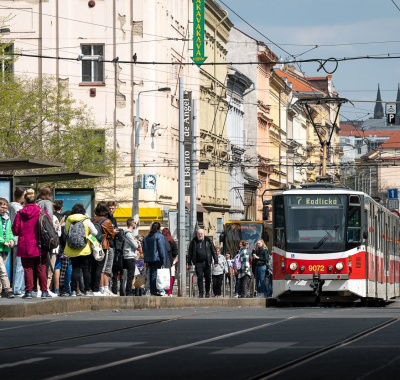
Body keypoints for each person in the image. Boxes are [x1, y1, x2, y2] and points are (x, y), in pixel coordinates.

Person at [12, 189, 51, 299]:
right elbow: (49, 224)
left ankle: (28, 291)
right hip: (40, 245)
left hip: (25, 246)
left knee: (28, 269)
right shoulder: (41, 211)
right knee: (41, 268)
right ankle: (44, 291)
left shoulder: (20, 213)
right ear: (35, 200)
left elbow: (15, 230)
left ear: (25, 200)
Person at [64, 203, 98, 296]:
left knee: (75, 269)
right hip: (85, 248)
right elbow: (95, 232)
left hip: (72, 249)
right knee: (86, 270)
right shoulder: (86, 220)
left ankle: (74, 290)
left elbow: (66, 232)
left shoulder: (69, 220)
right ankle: (87, 290)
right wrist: (88, 236)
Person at [92, 202, 115, 296]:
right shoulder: (107, 221)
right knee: (100, 267)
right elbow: (112, 235)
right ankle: (97, 289)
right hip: (103, 246)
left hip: (93, 245)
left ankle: (94, 288)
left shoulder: (92, 219)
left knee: (93, 267)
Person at [187, 229, 218, 298]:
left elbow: (213, 251)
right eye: (199, 233)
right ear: (197, 234)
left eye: (201, 233)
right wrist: (189, 263)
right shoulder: (194, 241)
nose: (200, 235)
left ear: (204, 234)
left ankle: (207, 292)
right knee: (200, 277)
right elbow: (190, 253)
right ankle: (201, 293)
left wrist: (216, 261)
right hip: (198, 263)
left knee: (208, 278)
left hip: (207, 262)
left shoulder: (208, 241)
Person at [8, 187, 26, 297]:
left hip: (16, 238)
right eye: (24, 195)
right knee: (20, 265)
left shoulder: (12, 205)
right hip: (19, 238)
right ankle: (18, 288)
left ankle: (18, 287)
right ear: (20, 195)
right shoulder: (16, 206)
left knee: (19, 265)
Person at [142, 222, 168, 296]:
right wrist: (164, 261)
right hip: (157, 258)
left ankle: (153, 290)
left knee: (152, 274)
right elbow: (162, 249)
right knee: (155, 275)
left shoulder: (147, 236)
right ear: (159, 228)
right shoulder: (159, 236)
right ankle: (155, 290)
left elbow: (144, 248)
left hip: (149, 258)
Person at [0, 198, 16, 299]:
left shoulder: (8, 218)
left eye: (6, 208)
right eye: (2, 207)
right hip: (2, 246)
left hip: (5, 249)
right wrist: (3, 241)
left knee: (0, 271)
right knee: (2, 270)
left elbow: (10, 232)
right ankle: (8, 290)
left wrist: (12, 240)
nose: (4, 209)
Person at [109, 201, 124, 296]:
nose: (111, 210)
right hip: (107, 245)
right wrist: (112, 232)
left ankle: (114, 290)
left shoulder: (113, 219)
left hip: (113, 245)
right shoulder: (106, 218)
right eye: (109, 208)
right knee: (107, 270)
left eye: (112, 208)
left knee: (114, 270)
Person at [123, 218, 139, 296]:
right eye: (135, 223)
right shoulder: (129, 234)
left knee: (129, 275)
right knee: (130, 275)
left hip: (129, 256)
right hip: (129, 256)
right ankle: (128, 291)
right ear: (131, 223)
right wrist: (137, 242)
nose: (135, 224)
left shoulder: (128, 234)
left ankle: (127, 290)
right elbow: (135, 245)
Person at [162, 227, 178, 297]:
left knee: (162, 275)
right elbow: (175, 252)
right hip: (171, 260)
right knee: (171, 276)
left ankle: (163, 290)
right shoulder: (172, 242)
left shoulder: (162, 240)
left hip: (163, 260)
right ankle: (169, 291)